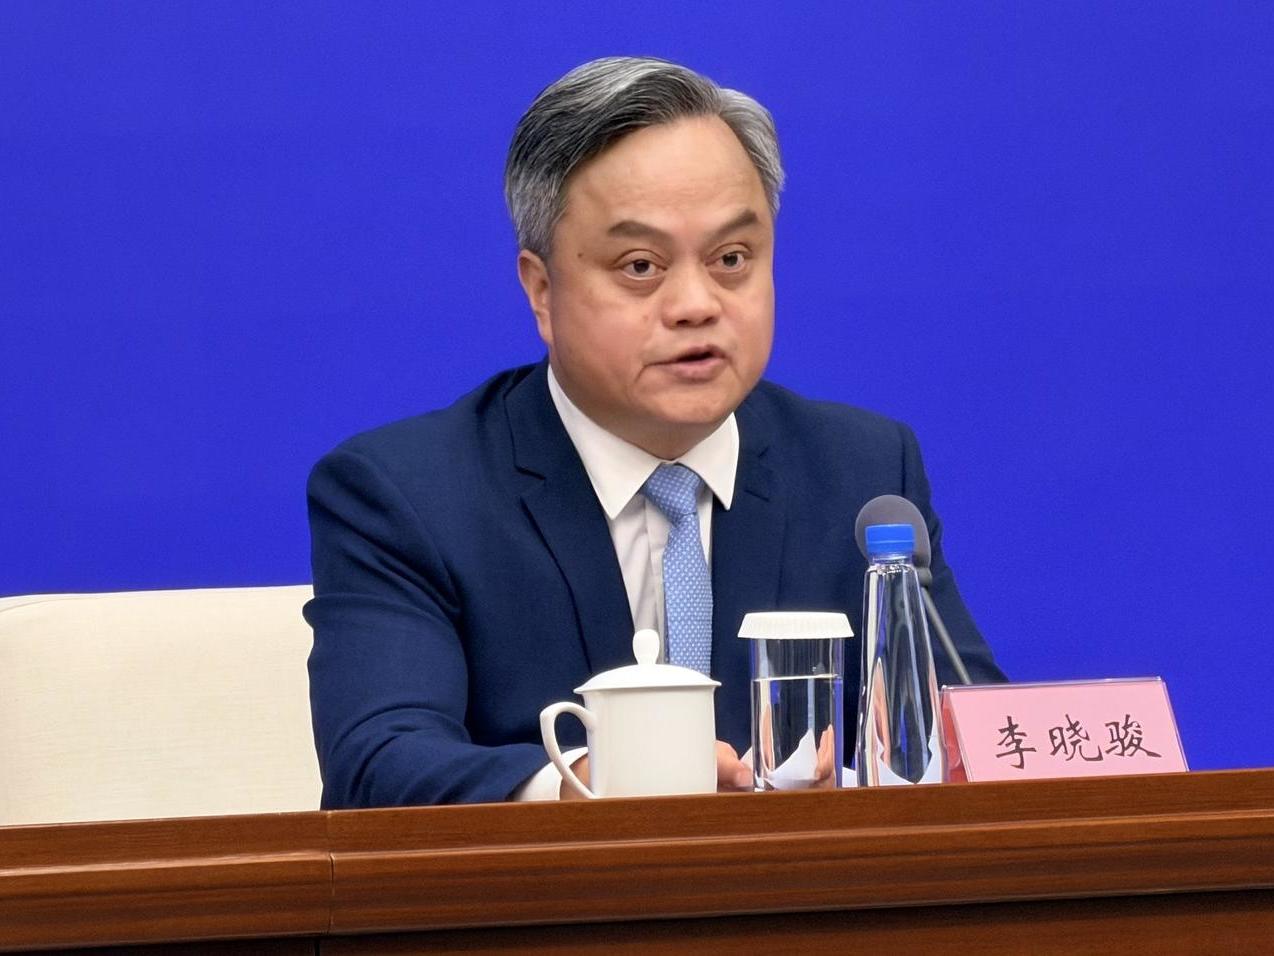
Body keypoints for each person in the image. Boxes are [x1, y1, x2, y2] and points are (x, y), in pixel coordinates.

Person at [305, 56, 1005, 808]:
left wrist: (869, 777)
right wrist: (592, 788)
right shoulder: (409, 494)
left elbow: (981, 740)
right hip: (552, 885)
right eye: (640, 266)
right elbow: (379, 765)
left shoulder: (862, 475)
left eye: (732, 259)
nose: (696, 304)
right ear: (541, 291)